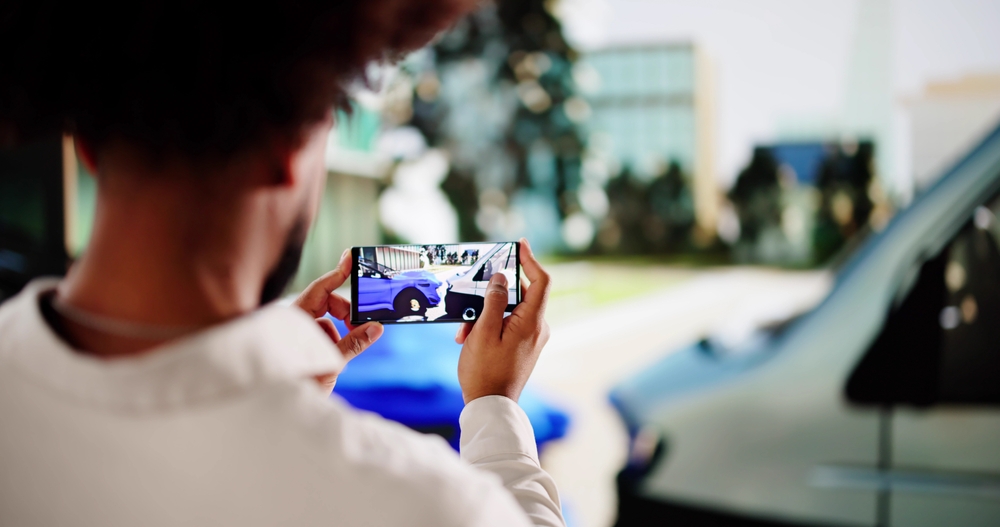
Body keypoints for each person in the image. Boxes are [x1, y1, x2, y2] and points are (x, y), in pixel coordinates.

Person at [0, 2, 563, 526]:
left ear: (89, 146)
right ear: (287, 152)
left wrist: (272, 388)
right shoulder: (409, 500)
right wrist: (494, 407)